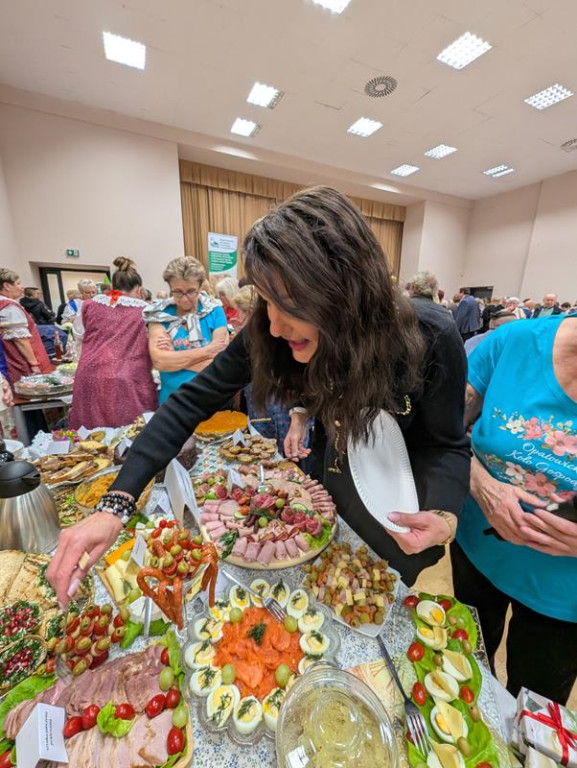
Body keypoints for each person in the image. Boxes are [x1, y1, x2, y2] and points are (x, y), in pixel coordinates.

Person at [46, 187, 470, 606]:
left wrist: (444, 514)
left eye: (289, 303)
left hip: (401, 509)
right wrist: (115, 505)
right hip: (332, 489)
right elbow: (191, 401)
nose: (274, 326)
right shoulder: (270, 330)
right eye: (266, 301)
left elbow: (445, 445)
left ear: (345, 290)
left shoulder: (430, 336)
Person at [453, 314, 577, 703]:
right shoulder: (514, 342)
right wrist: (480, 483)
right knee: (462, 678)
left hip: (563, 602)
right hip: (476, 555)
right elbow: (443, 434)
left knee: (534, 717)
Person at [68, 258, 157, 429]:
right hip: (129, 377)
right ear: (139, 290)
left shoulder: (88, 305)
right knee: (132, 431)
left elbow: (79, 337)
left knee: (91, 432)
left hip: (90, 374)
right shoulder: (146, 310)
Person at [144, 257, 229, 404]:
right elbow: (160, 361)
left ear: (200, 287)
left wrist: (174, 356)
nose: (184, 299)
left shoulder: (215, 311)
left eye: (191, 292)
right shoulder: (159, 314)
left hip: (210, 399)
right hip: (173, 401)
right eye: (177, 292)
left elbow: (220, 365)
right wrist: (208, 351)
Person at [0, 269, 53, 383]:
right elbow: (20, 340)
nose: (22, 287)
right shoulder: (9, 307)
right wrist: (34, 364)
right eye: (18, 283)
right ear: (7, 286)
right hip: (19, 361)